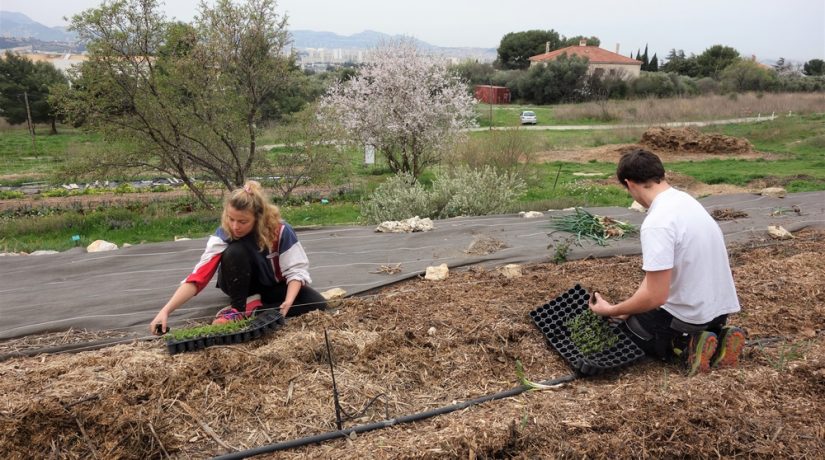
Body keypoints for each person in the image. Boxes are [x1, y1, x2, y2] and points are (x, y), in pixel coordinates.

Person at [589, 149, 746, 376]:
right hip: (718, 313)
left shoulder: (657, 222)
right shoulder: (686, 202)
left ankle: (685, 347)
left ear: (629, 183)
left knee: (626, 334)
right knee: (633, 313)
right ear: (660, 175)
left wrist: (612, 310)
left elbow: (656, 296)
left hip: (685, 320)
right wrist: (627, 308)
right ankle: (717, 335)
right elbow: (658, 277)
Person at [150, 180, 327, 334]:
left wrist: (288, 302)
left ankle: (255, 309)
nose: (235, 226)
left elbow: (295, 270)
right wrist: (166, 311)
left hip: (271, 286)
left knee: (317, 304)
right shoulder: (224, 234)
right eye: (231, 219)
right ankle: (237, 310)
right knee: (235, 251)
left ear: (258, 218)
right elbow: (199, 277)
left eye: (242, 221)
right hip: (239, 285)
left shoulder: (280, 230)